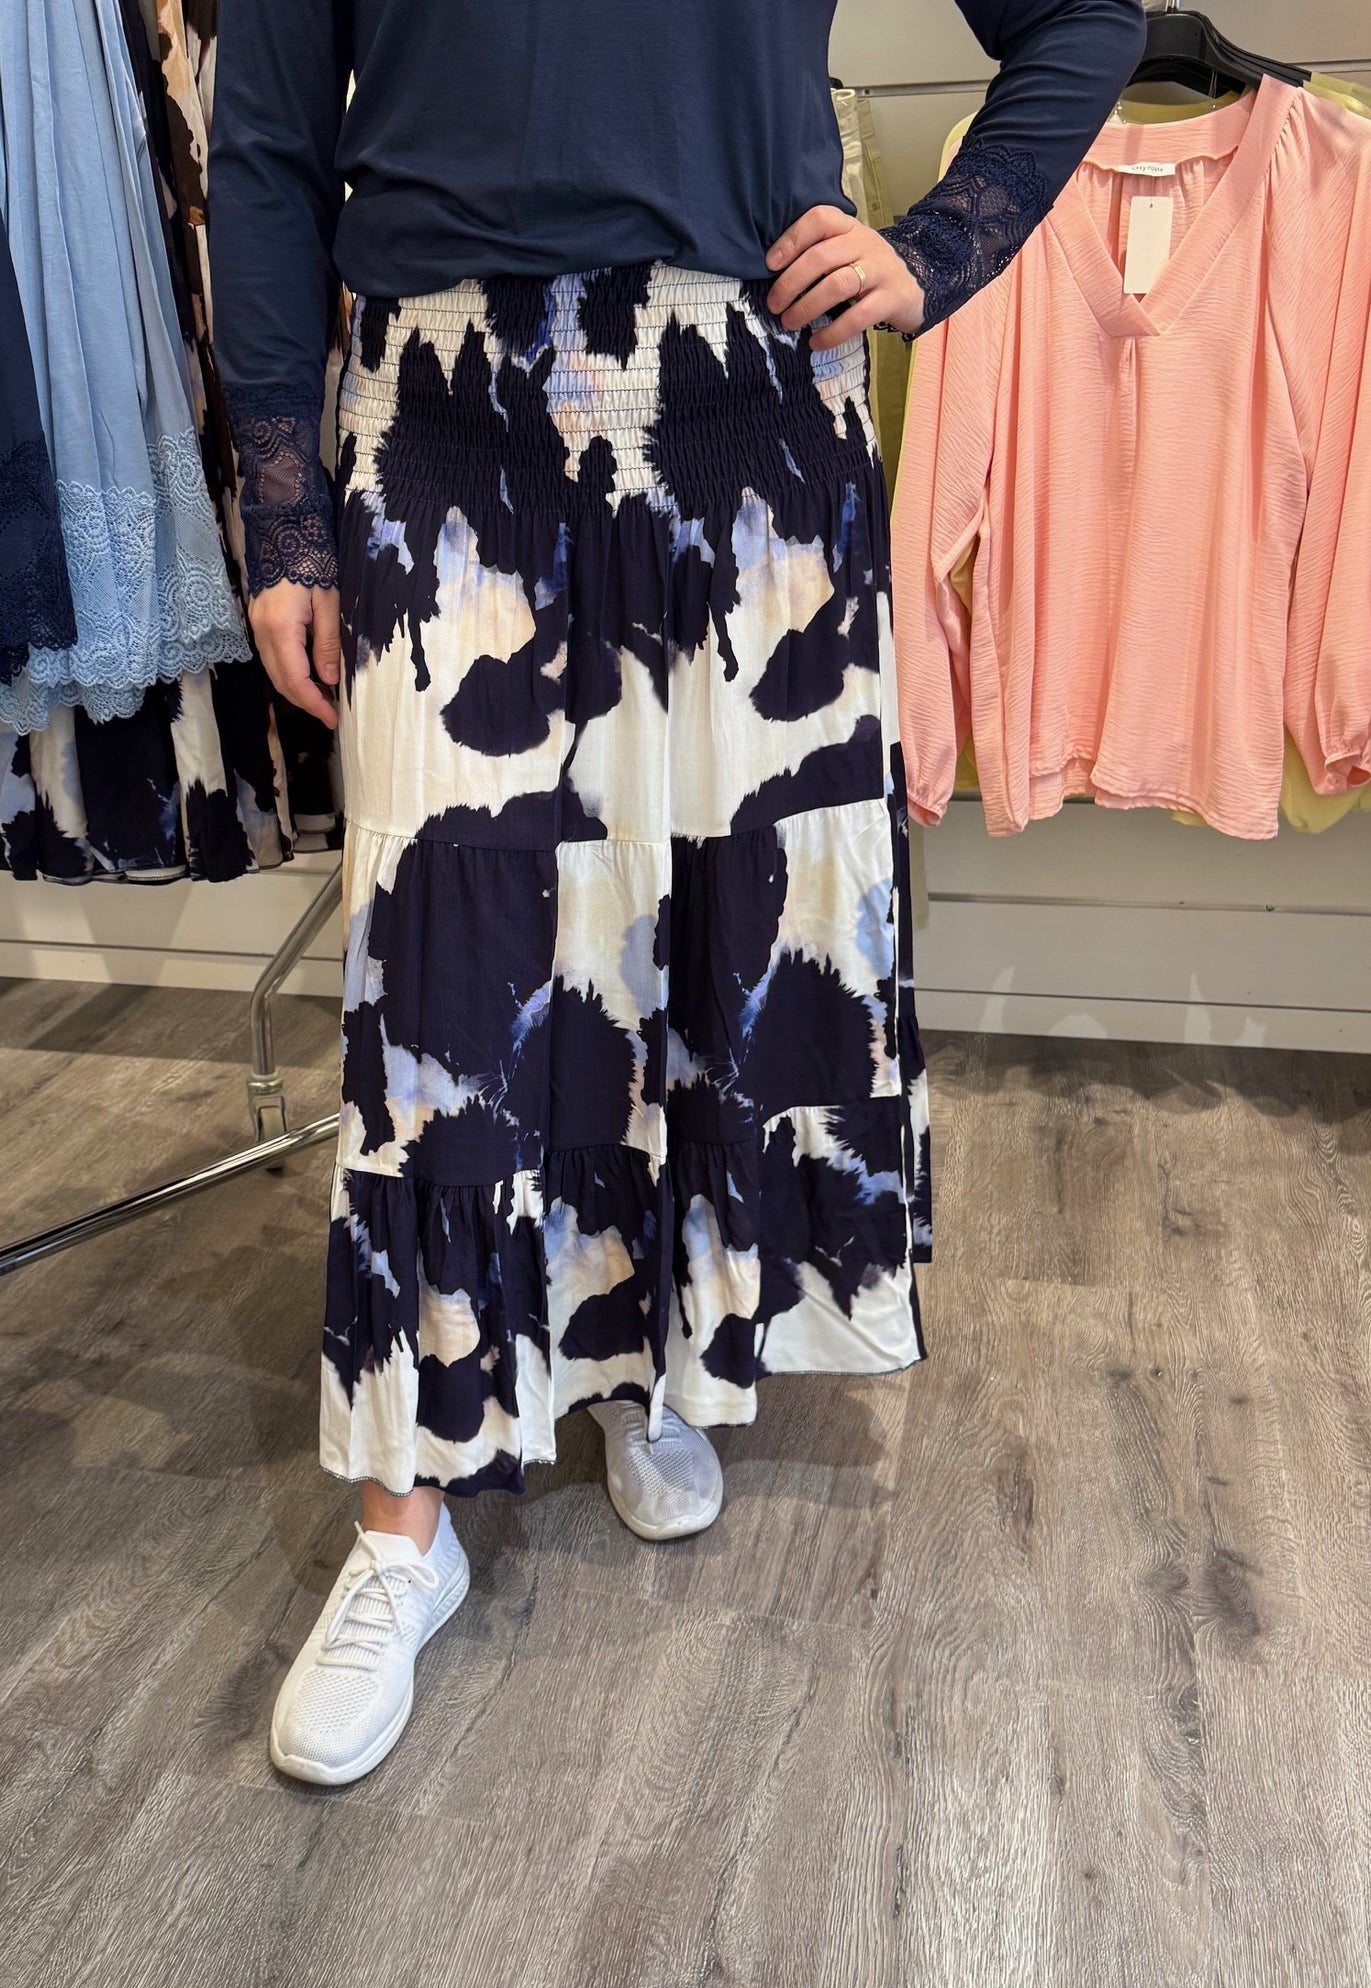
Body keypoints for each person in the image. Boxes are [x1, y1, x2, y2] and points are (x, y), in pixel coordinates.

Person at [208, 0, 1146, 1787]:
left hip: (746, 402)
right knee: (443, 980)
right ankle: (406, 1520)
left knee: (713, 935)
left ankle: (655, 1361)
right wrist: (283, 509)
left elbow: (1081, 17)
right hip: (445, 412)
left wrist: (938, 249)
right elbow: (260, 135)